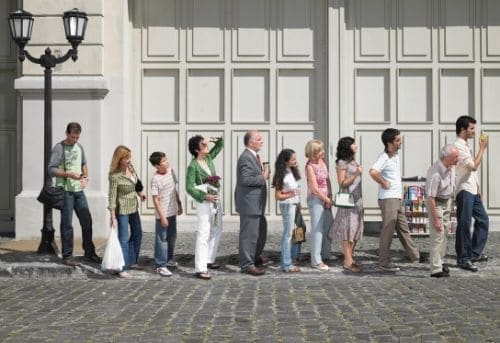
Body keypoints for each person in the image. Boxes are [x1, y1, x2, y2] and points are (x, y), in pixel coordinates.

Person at [48, 122, 101, 266]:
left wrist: (85, 178)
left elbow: (84, 164)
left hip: (78, 191)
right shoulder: (59, 148)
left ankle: (89, 253)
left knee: (87, 221)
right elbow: (51, 170)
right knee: (67, 224)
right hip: (65, 191)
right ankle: (67, 255)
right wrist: (68, 174)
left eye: (77, 137)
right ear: (67, 134)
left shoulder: (80, 147)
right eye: (73, 137)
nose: (75, 140)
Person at [369, 128, 420, 272]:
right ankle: (383, 263)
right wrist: (384, 183)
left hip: (396, 198)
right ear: (389, 143)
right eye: (398, 140)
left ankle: (415, 256)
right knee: (388, 231)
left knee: (403, 228)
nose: (400, 142)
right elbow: (373, 172)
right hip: (388, 199)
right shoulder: (384, 157)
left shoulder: (395, 156)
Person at [454, 115, 489, 272]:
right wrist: (482, 148)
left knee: (483, 220)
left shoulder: (466, 146)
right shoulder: (458, 146)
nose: (474, 131)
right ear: (463, 129)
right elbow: (473, 167)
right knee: (464, 224)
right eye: (472, 128)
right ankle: (463, 258)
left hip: (472, 190)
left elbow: (472, 173)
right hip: (464, 190)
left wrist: (478, 189)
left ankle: (474, 253)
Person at [186, 135, 224, 280]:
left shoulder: (208, 158)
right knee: (203, 233)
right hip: (204, 202)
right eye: (203, 144)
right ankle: (200, 268)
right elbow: (189, 187)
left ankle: (209, 259)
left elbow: (220, 145)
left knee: (218, 227)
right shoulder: (193, 166)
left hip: (215, 198)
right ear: (197, 149)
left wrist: (215, 139)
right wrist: (204, 196)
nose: (206, 145)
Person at [108, 145, 146, 278]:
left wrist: (140, 194)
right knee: (123, 239)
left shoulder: (131, 168)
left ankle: (132, 261)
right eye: (127, 158)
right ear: (119, 160)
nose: (130, 160)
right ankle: (121, 268)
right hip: (122, 209)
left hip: (134, 207)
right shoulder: (114, 176)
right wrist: (113, 216)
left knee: (137, 233)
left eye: (130, 157)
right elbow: (112, 196)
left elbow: (136, 184)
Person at [235, 130, 270, 276]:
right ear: (251, 142)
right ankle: (247, 264)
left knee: (260, 231)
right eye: (259, 139)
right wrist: (264, 176)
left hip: (256, 203)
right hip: (250, 204)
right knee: (249, 234)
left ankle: (255, 257)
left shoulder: (254, 156)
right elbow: (246, 180)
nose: (262, 141)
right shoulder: (246, 157)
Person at [329, 136, 364, 273]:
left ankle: (349, 257)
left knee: (355, 230)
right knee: (348, 230)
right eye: (353, 143)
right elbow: (342, 183)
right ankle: (347, 260)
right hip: (348, 201)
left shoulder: (353, 161)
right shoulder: (342, 163)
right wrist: (356, 174)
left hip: (358, 200)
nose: (356, 145)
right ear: (347, 146)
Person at [425, 144, 458, 278]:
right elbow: (430, 198)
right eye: (455, 157)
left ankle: (441, 262)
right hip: (436, 203)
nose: (458, 159)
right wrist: (436, 218)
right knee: (437, 236)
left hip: (447, 202)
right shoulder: (435, 173)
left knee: (444, 235)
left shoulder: (451, 167)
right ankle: (435, 269)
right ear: (446, 157)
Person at [149, 151, 183, 277]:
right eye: (163, 161)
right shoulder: (155, 179)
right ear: (157, 166)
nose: (167, 162)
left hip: (172, 212)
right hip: (162, 214)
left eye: (166, 159)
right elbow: (155, 199)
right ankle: (160, 265)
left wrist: (179, 204)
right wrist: (162, 217)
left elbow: (175, 189)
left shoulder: (171, 171)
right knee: (161, 239)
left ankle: (168, 260)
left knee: (172, 237)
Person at [305, 139, 333, 271]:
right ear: (314, 152)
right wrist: (326, 199)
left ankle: (325, 254)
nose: (323, 152)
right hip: (315, 199)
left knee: (328, 226)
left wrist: (330, 196)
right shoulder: (310, 167)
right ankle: (316, 260)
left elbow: (327, 180)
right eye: (320, 150)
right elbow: (315, 188)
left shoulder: (323, 162)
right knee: (318, 230)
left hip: (326, 198)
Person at [272, 148, 302, 273]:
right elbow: (278, 196)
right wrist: (292, 194)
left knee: (297, 232)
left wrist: (298, 203)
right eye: (293, 159)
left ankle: (292, 257)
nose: (295, 161)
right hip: (287, 205)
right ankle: (286, 264)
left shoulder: (291, 171)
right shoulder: (282, 174)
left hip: (294, 205)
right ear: (285, 161)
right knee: (288, 235)